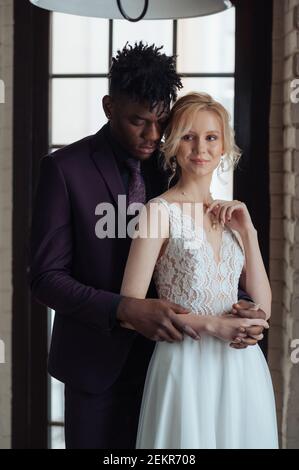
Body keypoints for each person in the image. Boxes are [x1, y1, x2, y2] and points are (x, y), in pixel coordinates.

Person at [30, 43, 267, 449]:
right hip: (96, 362)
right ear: (108, 107)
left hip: (177, 361)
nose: (153, 135)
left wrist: (239, 301)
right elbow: (45, 277)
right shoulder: (65, 169)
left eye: (161, 122)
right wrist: (124, 307)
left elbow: (202, 251)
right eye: (138, 122)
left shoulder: (176, 162)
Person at [120, 92, 279, 449]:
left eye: (211, 137)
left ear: (224, 146)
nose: (200, 148)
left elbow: (264, 304)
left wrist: (247, 231)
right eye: (188, 137)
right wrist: (212, 325)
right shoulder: (158, 212)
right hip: (184, 364)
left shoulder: (233, 214)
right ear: (173, 144)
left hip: (240, 366)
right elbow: (130, 309)